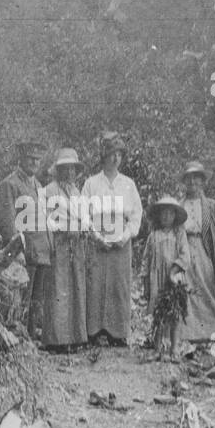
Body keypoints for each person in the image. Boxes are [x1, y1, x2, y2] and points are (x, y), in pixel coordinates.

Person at [82, 132, 143, 347]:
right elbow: (83, 214)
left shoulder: (128, 184)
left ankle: (117, 333)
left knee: (119, 285)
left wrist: (125, 236)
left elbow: (136, 215)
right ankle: (94, 330)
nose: (115, 158)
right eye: (111, 154)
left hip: (121, 244)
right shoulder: (91, 184)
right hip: (98, 244)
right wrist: (96, 237)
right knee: (96, 284)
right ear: (103, 156)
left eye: (119, 154)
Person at [0, 140, 49, 339]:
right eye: (30, 158)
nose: (34, 163)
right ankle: (20, 337)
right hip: (23, 252)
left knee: (37, 298)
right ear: (21, 158)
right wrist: (16, 249)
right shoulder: (10, 184)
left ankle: (32, 336)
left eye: (38, 159)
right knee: (22, 298)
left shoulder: (39, 186)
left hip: (41, 251)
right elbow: (6, 222)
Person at [39, 148, 89, 351]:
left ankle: (75, 337)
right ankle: (57, 339)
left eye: (72, 169)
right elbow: (46, 219)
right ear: (58, 170)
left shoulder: (76, 192)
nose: (69, 173)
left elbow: (85, 218)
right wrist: (65, 227)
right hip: (58, 244)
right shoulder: (49, 190)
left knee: (76, 287)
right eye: (65, 168)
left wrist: (82, 227)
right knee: (59, 288)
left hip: (75, 246)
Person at [177, 161, 215, 345]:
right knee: (187, 295)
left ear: (202, 181)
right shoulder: (178, 205)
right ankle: (189, 341)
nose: (192, 182)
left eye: (196, 177)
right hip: (185, 251)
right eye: (188, 178)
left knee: (209, 293)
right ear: (184, 182)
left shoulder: (212, 206)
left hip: (205, 249)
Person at [142, 196, 190, 361]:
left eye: (170, 214)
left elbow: (185, 256)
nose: (166, 217)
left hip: (174, 278)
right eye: (163, 213)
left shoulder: (179, 234)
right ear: (158, 216)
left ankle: (175, 348)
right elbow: (146, 260)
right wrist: (146, 282)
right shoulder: (153, 236)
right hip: (157, 278)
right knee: (158, 313)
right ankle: (157, 347)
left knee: (174, 313)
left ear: (175, 216)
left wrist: (174, 271)